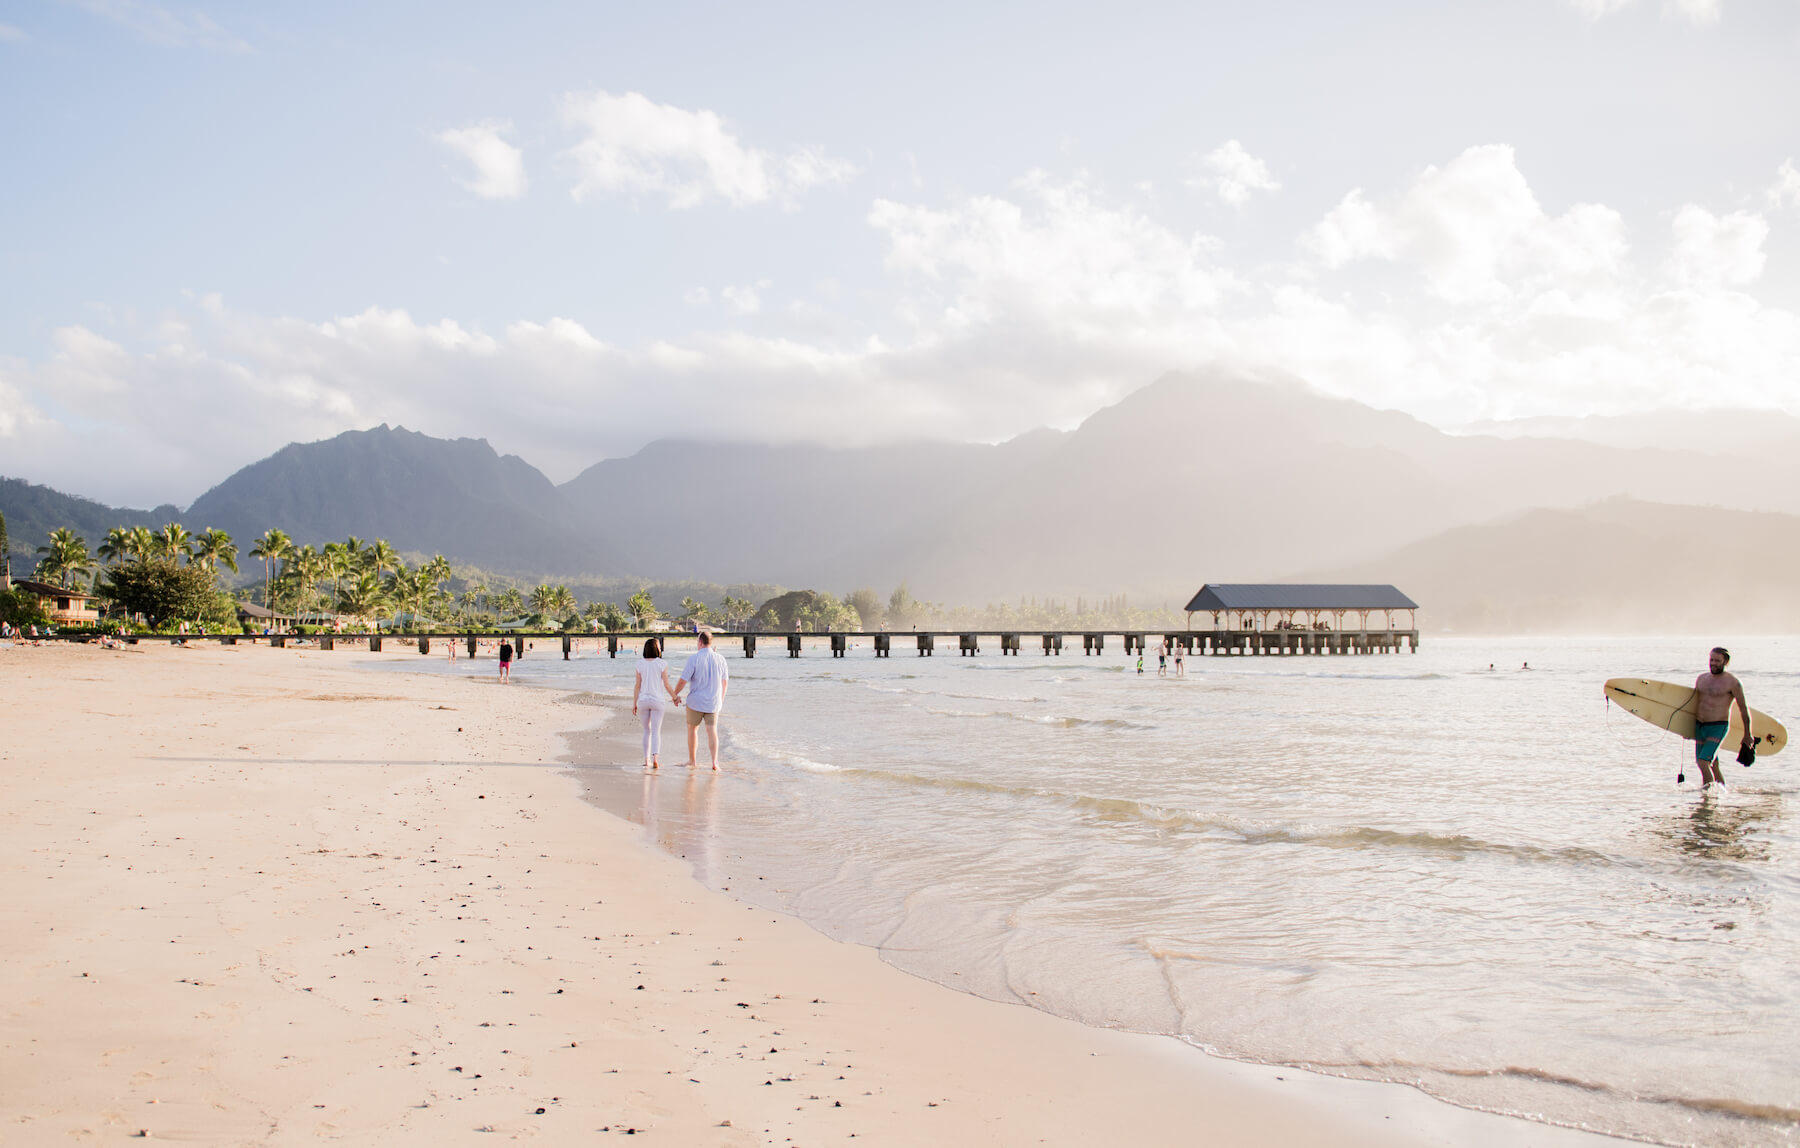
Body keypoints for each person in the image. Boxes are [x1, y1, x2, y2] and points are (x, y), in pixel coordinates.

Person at [1692, 646, 1753, 794]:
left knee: (1703, 761)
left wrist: (1747, 734)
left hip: (1718, 726)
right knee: (1713, 764)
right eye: (1711, 660)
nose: (1713, 663)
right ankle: (1722, 792)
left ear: (1725, 662)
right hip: (1700, 726)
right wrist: (1683, 728)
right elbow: (1693, 704)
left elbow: (1743, 709)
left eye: (1717, 661)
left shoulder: (1732, 683)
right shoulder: (1701, 679)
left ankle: (1708, 797)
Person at [672, 630, 730, 770]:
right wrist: (720, 700)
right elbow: (725, 682)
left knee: (692, 730)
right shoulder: (720, 659)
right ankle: (715, 762)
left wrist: (674, 694)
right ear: (711, 642)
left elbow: (682, 681)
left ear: (699, 642)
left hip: (695, 702)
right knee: (712, 731)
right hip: (713, 702)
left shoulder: (694, 659)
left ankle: (692, 761)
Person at [632, 638, 679, 770]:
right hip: (657, 701)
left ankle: (646, 760)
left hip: (643, 701)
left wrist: (634, 703)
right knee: (656, 731)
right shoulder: (662, 664)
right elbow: (666, 684)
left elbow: (637, 686)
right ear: (657, 649)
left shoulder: (639, 664)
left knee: (647, 731)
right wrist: (675, 697)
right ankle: (655, 759)